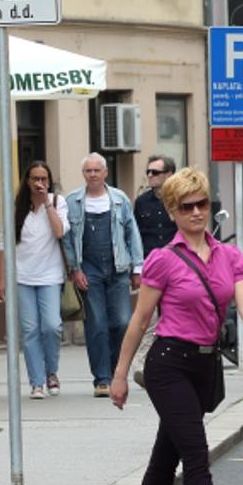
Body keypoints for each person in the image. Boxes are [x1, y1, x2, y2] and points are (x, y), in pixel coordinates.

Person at [109, 168, 243, 485]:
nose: (197, 212)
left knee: (165, 460)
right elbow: (139, 321)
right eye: (187, 207)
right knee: (196, 459)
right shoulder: (162, 260)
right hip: (168, 366)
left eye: (202, 204)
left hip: (204, 367)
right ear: (172, 212)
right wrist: (120, 375)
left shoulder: (229, 256)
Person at [61, 153, 145, 397]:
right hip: (89, 270)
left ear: (105, 173)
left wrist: (137, 268)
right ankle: (102, 379)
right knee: (96, 324)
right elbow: (67, 239)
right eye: (88, 171)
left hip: (118, 267)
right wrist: (75, 269)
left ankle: (116, 371)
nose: (93, 175)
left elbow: (132, 232)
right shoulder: (73, 201)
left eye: (97, 170)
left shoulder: (119, 199)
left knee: (122, 322)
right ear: (83, 174)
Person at [0, 160, 68, 399]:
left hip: (50, 276)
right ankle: (37, 382)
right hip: (22, 277)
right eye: (35, 179)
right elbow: (3, 245)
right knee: (30, 331)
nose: (39, 183)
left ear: (49, 181)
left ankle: (51, 372)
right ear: (27, 181)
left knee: (52, 326)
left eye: (43, 179)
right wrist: (1, 279)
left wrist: (46, 202)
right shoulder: (16, 207)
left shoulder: (57, 202)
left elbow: (59, 232)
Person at [131, 155, 179, 387]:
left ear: (169, 174)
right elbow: (135, 236)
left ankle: (168, 365)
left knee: (172, 317)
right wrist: (136, 268)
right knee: (148, 318)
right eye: (148, 172)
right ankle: (141, 366)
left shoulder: (179, 200)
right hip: (150, 268)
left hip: (178, 268)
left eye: (155, 172)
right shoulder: (142, 202)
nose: (150, 176)